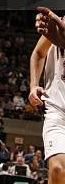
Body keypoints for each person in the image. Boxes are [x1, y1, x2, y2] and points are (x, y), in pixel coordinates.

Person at [29, 31, 65, 182]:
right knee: (58, 169)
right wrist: (34, 84)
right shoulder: (58, 25)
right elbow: (39, 52)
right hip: (57, 111)